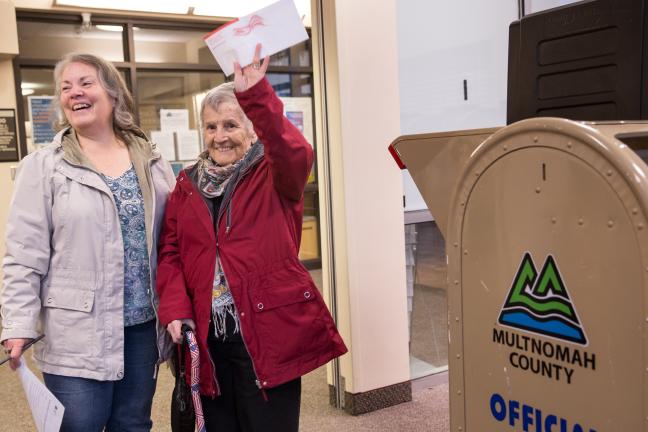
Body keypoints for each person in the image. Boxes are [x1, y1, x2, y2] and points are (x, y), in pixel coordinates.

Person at [156, 44, 347, 431]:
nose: (219, 136)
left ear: (251, 127)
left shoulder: (275, 175)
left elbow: (295, 150)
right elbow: (171, 251)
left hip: (264, 334)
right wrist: (175, 308)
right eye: (211, 126)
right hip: (208, 338)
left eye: (230, 125)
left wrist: (256, 94)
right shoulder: (186, 184)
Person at [0, 53, 175, 431]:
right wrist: (17, 323)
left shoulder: (151, 160)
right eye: (66, 87)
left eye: (85, 83)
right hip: (77, 330)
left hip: (143, 327)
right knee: (79, 426)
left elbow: (172, 242)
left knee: (133, 425)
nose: (74, 92)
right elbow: (24, 255)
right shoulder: (45, 166)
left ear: (112, 94)